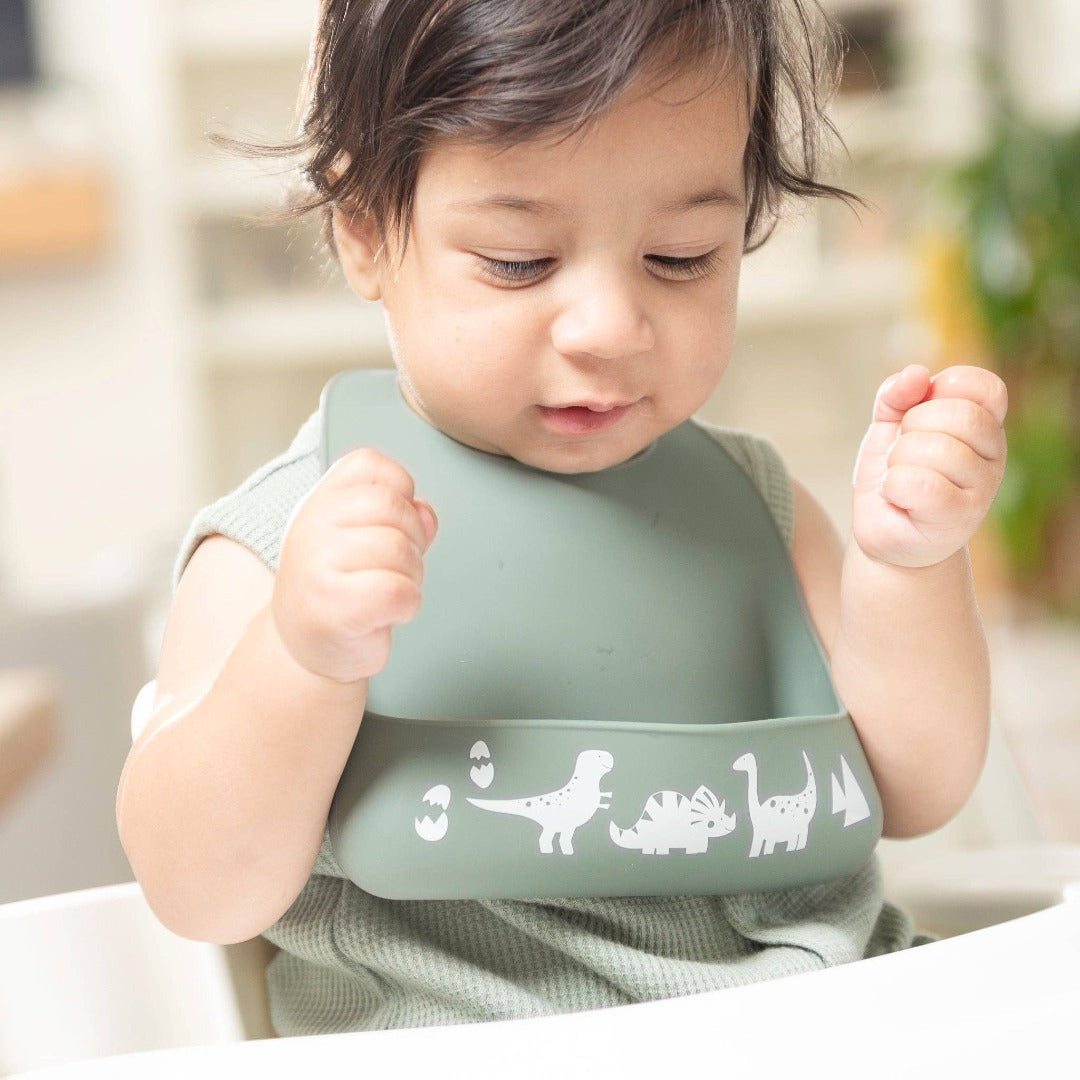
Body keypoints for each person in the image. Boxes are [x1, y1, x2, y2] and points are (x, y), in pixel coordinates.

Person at [117, 0, 1008, 1035]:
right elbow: (197, 891)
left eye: (681, 257)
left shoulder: (755, 509)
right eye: (518, 260)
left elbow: (919, 788)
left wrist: (910, 565)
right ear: (361, 230)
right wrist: (302, 659)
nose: (608, 328)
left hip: (830, 1024)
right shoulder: (278, 551)